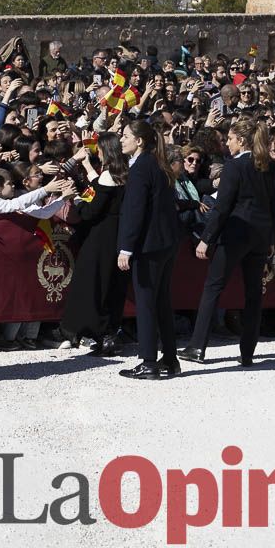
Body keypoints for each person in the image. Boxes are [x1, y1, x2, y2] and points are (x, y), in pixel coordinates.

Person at [181, 119, 275, 367]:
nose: (227, 142)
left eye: (231, 139)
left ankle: (196, 347)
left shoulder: (234, 166)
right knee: (254, 294)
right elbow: (273, 207)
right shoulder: (268, 166)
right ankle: (248, 351)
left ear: (242, 140)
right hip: (259, 236)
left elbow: (222, 207)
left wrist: (206, 239)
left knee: (213, 287)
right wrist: (271, 238)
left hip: (235, 233)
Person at [116, 119, 183, 380]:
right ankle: (170, 358)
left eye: (125, 136)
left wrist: (126, 248)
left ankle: (148, 362)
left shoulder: (141, 167)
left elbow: (135, 212)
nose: (121, 140)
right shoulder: (158, 164)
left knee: (146, 304)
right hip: (166, 243)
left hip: (149, 245)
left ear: (139, 141)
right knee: (162, 302)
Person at [61, 133, 130, 355]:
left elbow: (91, 211)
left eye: (99, 149)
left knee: (94, 285)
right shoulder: (124, 173)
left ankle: (98, 335)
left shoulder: (109, 175)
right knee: (112, 285)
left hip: (101, 237)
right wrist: (88, 166)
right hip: (117, 235)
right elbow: (101, 186)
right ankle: (110, 333)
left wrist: (76, 200)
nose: (97, 152)